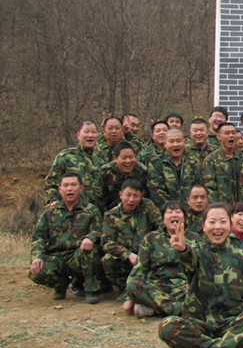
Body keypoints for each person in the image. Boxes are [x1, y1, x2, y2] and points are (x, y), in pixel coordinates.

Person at [159, 203, 243, 348]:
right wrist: (182, 250)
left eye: (223, 222)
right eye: (212, 222)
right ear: (204, 226)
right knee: (167, 327)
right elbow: (188, 259)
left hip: (231, 325)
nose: (217, 227)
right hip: (199, 326)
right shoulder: (197, 254)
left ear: (230, 225)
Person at [29, 173, 104, 304]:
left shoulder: (91, 210)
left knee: (92, 251)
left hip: (78, 256)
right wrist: (37, 256)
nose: (69, 189)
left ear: (81, 188)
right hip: (56, 257)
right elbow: (38, 237)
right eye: (66, 185)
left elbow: (100, 229)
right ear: (59, 189)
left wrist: (90, 237)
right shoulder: (49, 212)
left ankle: (90, 290)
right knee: (36, 272)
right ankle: (60, 284)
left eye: (73, 185)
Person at [123, 201, 191, 318]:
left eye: (178, 212)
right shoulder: (151, 238)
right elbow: (139, 269)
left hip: (183, 288)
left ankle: (155, 309)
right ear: (163, 219)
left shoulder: (194, 238)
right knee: (133, 284)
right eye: (170, 212)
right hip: (156, 288)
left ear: (184, 218)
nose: (174, 215)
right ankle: (180, 309)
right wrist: (129, 298)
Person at [101, 179, 162, 302]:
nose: (131, 199)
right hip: (125, 259)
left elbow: (161, 226)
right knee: (107, 261)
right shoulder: (111, 215)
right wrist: (127, 254)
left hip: (146, 256)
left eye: (136, 196)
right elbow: (106, 242)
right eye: (128, 195)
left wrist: (149, 249)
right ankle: (125, 288)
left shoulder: (147, 206)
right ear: (121, 195)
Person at [45, 120, 105, 206]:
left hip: (96, 211)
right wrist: (53, 201)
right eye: (86, 132)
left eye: (93, 132)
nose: (90, 135)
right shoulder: (65, 157)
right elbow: (51, 183)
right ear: (78, 135)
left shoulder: (101, 158)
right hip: (72, 210)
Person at [147, 129, 201, 208]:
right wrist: (175, 208)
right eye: (171, 141)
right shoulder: (156, 163)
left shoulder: (193, 163)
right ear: (165, 144)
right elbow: (156, 191)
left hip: (190, 210)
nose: (175, 145)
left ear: (184, 142)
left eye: (179, 141)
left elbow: (198, 187)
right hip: (166, 210)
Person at [98, 141, 148, 213]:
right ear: (115, 158)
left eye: (131, 157)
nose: (128, 161)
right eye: (124, 158)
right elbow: (100, 198)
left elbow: (146, 195)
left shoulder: (142, 171)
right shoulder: (106, 172)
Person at [202, 122, 242, 204]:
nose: (231, 136)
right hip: (221, 207)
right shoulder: (211, 160)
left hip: (241, 208)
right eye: (227, 133)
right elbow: (209, 189)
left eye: (233, 133)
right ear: (218, 137)